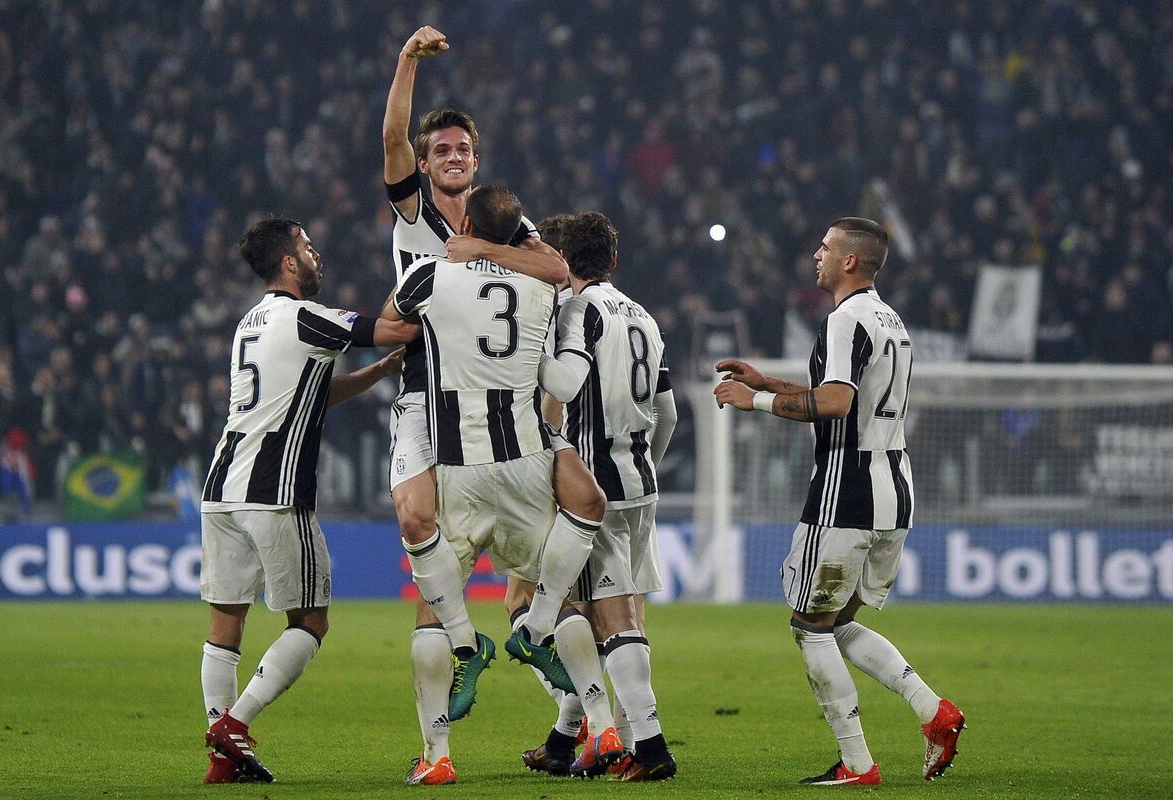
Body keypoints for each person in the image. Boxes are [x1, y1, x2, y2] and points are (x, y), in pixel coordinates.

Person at [381, 26, 606, 782]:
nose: (452, 157)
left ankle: (587, 721)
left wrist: (479, 250)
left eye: (463, 150)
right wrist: (407, 62)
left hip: (496, 405)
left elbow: (555, 267)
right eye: (440, 149)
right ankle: (444, 734)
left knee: (540, 566)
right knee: (416, 520)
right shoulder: (412, 214)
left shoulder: (501, 221)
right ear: (425, 162)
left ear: (476, 162)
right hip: (426, 394)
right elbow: (391, 138)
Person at [714, 217, 966, 786]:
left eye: (825, 247)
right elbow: (848, 397)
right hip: (893, 491)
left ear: (850, 261)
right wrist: (770, 382)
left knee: (810, 625)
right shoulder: (890, 320)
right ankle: (935, 713)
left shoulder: (844, 319)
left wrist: (753, 401)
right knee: (838, 621)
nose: (816, 254)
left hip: (845, 493)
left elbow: (834, 404)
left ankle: (857, 763)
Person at [198, 218, 415, 784]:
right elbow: (397, 328)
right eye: (308, 247)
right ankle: (234, 725)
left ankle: (223, 757)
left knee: (225, 624)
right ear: (289, 263)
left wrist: (376, 372)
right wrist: (426, 283)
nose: (318, 254)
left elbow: (310, 393)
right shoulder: (306, 316)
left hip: (221, 490)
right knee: (312, 621)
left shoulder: (249, 323)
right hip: (275, 491)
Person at [523, 212, 679, 781]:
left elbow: (562, 388)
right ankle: (583, 741)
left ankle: (649, 749)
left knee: (601, 616)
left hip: (593, 489)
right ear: (612, 259)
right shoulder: (644, 317)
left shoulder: (575, 312)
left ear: (563, 261)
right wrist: (642, 463)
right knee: (621, 613)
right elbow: (668, 413)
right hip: (639, 482)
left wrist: (525, 354)